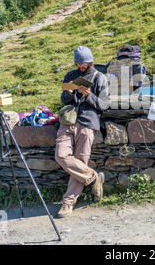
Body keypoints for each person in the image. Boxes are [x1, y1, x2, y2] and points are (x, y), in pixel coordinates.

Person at [55, 46, 109, 218]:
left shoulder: (100, 78)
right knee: (61, 156)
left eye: (83, 63)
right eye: (78, 63)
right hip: (68, 121)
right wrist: (69, 94)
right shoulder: (70, 76)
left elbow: (104, 105)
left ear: (90, 60)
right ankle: (93, 178)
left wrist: (87, 95)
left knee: (79, 160)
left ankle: (68, 202)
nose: (80, 66)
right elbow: (64, 100)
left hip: (87, 123)